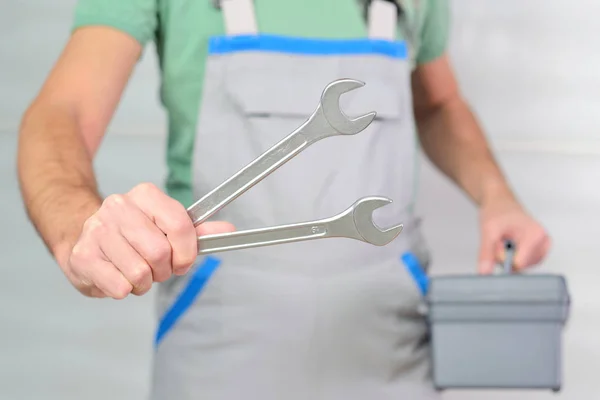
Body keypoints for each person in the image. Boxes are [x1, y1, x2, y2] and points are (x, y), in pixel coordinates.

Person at [17, 0, 551, 398]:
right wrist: (79, 229)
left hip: (388, 336)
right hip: (218, 335)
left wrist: (496, 195)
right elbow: (60, 112)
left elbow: (438, 102)